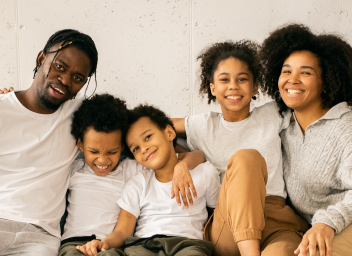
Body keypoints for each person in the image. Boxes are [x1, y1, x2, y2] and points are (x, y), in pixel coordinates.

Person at [172, 40, 308, 256]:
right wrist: (182, 161)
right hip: (228, 224)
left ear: (255, 87)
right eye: (224, 80)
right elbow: (152, 128)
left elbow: (310, 100)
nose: (233, 86)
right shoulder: (201, 125)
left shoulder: (273, 113)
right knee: (247, 158)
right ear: (213, 88)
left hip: (277, 221)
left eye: (242, 79)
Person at [58, 95, 207, 256]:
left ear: (122, 147)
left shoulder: (131, 169)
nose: (102, 160)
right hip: (74, 242)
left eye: (112, 152)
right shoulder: (73, 170)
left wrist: (182, 165)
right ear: (80, 145)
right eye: (94, 151)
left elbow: (196, 155)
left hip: (109, 245)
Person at [0, 29, 98, 256]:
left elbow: (144, 128)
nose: (64, 80)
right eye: (59, 66)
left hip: (40, 237)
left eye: (77, 78)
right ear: (41, 58)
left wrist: (190, 157)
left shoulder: (81, 114)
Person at [261, 23, 352, 256]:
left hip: (344, 223)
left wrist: (327, 222)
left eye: (306, 72)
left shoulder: (346, 127)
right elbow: (224, 125)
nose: (293, 80)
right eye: (286, 71)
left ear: (327, 80)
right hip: (304, 228)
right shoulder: (281, 123)